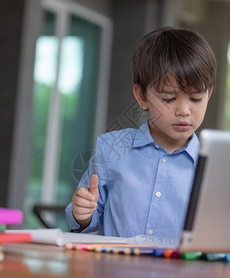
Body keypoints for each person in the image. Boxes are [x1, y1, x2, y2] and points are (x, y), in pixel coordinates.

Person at [65, 27, 217, 239]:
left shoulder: (212, 167)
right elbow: (87, 222)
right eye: (168, 98)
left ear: (208, 94)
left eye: (196, 98)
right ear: (141, 96)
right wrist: (82, 214)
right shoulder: (111, 149)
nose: (184, 110)